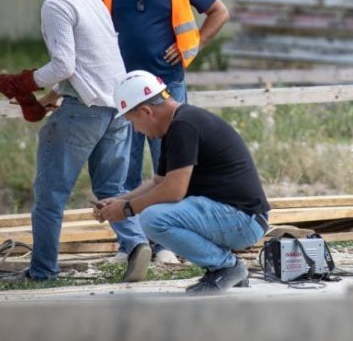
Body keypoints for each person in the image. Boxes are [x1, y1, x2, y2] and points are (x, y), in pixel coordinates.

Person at [0, 0, 150, 284]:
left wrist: (23, 82)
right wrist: (51, 97)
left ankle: (43, 271)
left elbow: (64, 64)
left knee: (50, 196)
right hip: (118, 109)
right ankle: (137, 244)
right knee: (112, 190)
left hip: (84, 111)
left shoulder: (56, 5)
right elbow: (93, 60)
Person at [87, 0, 229, 265]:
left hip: (167, 90)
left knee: (170, 168)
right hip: (121, 92)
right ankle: (132, 246)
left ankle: (166, 244)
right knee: (125, 170)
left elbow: (219, 11)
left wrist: (191, 45)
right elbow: (84, 16)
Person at [93, 70, 270, 294]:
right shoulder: (180, 123)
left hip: (243, 220)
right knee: (154, 213)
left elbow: (174, 191)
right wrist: (119, 200)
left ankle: (227, 268)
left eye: (133, 122)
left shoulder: (183, 126)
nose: (137, 130)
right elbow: (159, 181)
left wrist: (127, 209)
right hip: (239, 216)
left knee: (153, 219)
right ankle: (229, 272)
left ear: (146, 111)